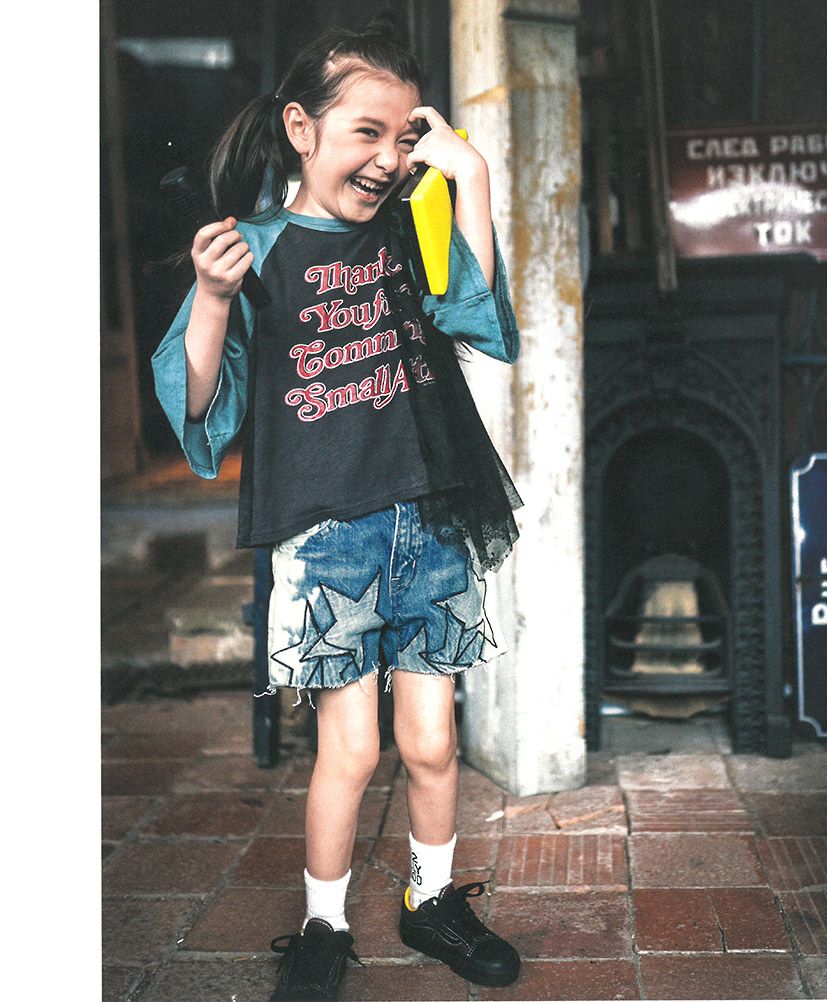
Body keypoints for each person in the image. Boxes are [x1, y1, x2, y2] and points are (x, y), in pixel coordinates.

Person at [152, 20, 523, 1002]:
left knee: (433, 744)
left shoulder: (411, 224)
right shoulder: (253, 250)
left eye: (405, 137)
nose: (389, 158)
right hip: (327, 537)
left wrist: (471, 177)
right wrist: (211, 299)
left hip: (431, 520)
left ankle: (431, 902)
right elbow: (200, 405)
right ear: (300, 128)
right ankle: (323, 925)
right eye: (367, 131)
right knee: (350, 750)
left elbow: (478, 320)